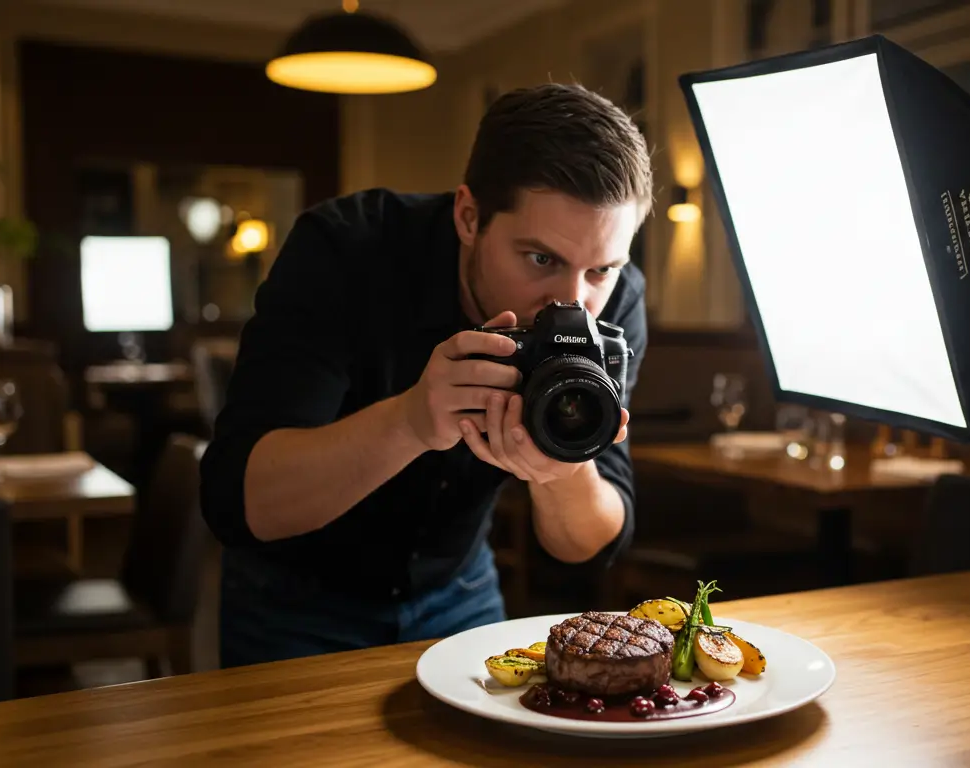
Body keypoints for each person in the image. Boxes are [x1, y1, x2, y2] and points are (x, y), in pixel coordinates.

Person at [199, 83, 653, 668]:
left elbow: (592, 545)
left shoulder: (613, 307)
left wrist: (562, 475)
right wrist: (412, 420)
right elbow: (239, 502)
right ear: (469, 215)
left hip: (460, 594)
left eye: (601, 269)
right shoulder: (347, 249)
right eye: (541, 259)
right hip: (291, 602)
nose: (571, 301)